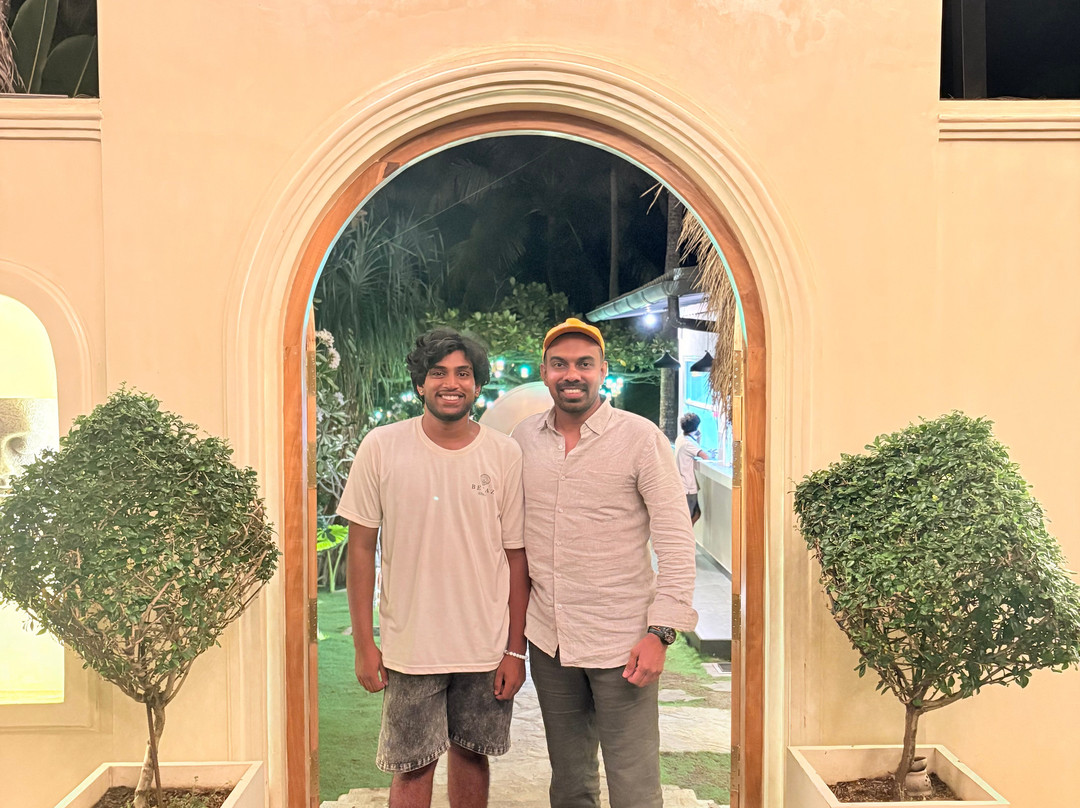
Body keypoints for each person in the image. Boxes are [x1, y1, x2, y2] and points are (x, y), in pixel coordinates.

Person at [337, 328, 529, 808]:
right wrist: (364, 644)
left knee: (473, 757)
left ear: (477, 385)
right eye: (438, 372)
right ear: (420, 383)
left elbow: (516, 556)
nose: (451, 383)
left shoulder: (504, 454)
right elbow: (360, 549)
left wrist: (515, 650)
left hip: (484, 647)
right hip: (410, 647)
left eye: (463, 373)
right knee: (411, 767)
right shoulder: (382, 446)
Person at [512, 317, 698, 808]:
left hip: (623, 642)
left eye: (584, 364)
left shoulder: (639, 437)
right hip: (550, 641)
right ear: (544, 372)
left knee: (634, 788)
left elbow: (676, 540)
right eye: (559, 364)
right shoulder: (523, 438)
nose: (571, 374)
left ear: (603, 371)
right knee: (569, 784)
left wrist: (661, 633)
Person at [674, 412, 710, 525]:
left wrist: (697, 439)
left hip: (682, 483)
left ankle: (687, 534)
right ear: (696, 427)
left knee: (696, 514)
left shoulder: (681, 438)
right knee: (690, 516)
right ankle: (684, 535)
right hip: (688, 486)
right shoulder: (688, 443)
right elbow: (705, 456)